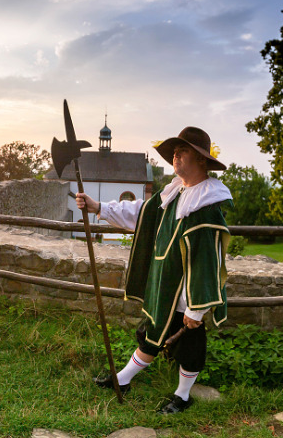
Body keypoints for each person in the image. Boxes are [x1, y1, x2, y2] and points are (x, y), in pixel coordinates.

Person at [76, 126, 232, 415]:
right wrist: (99, 207)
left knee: (190, 348)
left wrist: (196, 309)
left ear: (201, 159)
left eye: (183, 151)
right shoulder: (174, 192)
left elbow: (207, 261)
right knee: (152, 334)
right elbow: (141, 212)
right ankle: (123, 380)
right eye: (175, 151)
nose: (175, 155)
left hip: (186, 295)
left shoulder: (206, 205)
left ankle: (182, 396)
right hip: (164, 286)